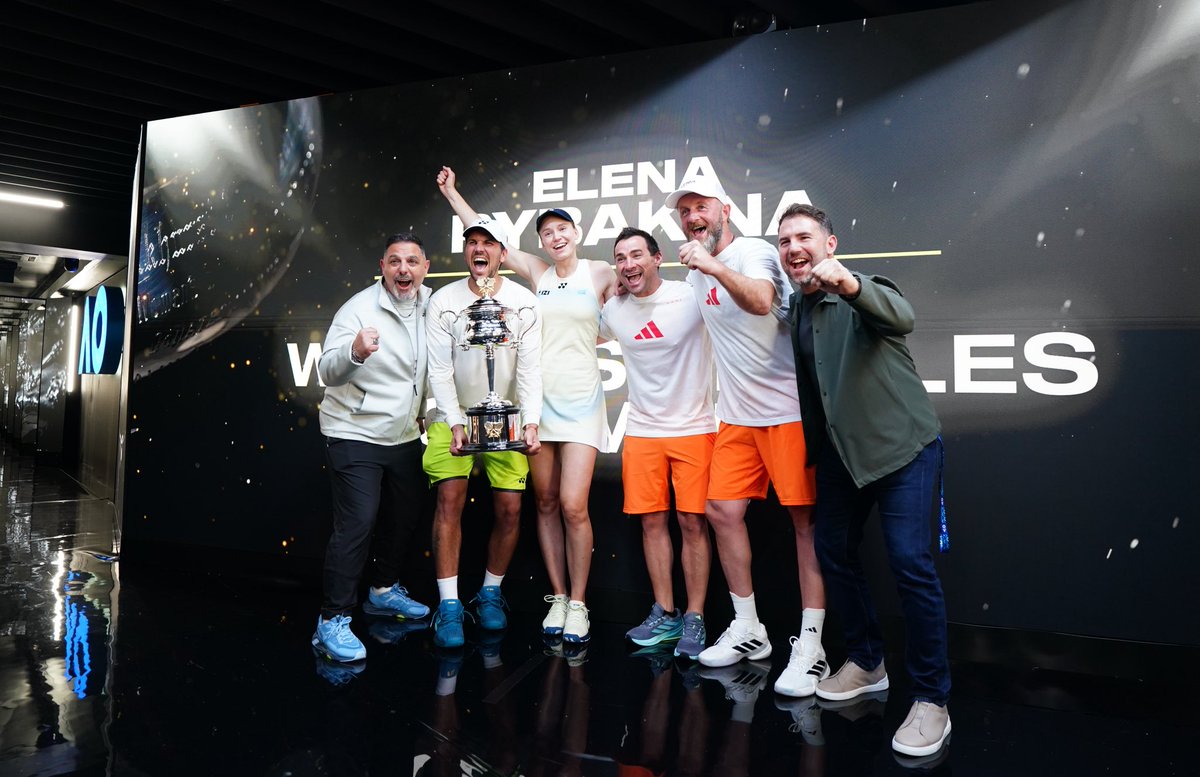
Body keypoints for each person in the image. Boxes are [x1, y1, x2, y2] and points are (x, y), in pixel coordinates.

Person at [777, 203, 951, 758]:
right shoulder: (799, 308)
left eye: (803, 237)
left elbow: (902, 317)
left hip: (904, 449)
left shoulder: (862, 285)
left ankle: (931, 700)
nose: (792, 248)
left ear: (829, 244)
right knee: (832, 550)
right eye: (783, 242)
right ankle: (868, 662)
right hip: (843, 459)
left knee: (910, 565)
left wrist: (851, 285)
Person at [437, 166, 617, 644]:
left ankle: (579, 603)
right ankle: (558, 597)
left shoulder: (602, 271)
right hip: (532, 405)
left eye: (562, 229)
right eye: (547, 232)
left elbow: (634, 298)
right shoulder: (535, 270)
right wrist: (453, 193)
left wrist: (601, 334)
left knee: (575, 506)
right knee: (545, 503)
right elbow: (485, 236)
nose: (555, 237)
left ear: (576, 234)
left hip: (580, 402)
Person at [665, 173, 828, 694]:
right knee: (721, 511)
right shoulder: (692, 275)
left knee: (806, 525)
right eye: (685, 211)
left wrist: (711, 264)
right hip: (737, 417)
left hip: (787, 413)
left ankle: (812, 646)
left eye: (702, 207)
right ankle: (750, 629)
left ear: (725, 209)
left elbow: (761, 301)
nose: (693, 217)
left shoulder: (755, 252)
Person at [311, 232, 434, 663]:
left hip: (402, 435)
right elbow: (327, 370)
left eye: (412, 262)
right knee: (358, 523)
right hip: (353, 432)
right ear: (382, 266)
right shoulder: (358, 309)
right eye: (395, 261)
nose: (404, 269)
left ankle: (382, 591)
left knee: (404, 517)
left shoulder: (432, 304)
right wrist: (355, 352)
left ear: (425, 267)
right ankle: (332, 620)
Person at [425, 215, 543, 649]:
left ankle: (490, 593)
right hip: (451, 416)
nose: (479, 250)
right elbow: (439, 367)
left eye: (488, 243)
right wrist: (454, 421)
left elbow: (530, 370)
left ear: (501, 252)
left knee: (510, 510)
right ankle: (450, 605)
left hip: (506, 417)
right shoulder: (443, 300)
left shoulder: (523, 301)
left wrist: (529, 420)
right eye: (472, 242)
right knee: (450, 502)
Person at [599, 227, 715, 660]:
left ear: (657, 258)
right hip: (643, 432)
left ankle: (696, 617)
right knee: (651, 524)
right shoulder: (613, 309)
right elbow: (579, 335)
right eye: (620, 258)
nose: (628, 265)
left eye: (636, 255)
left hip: (694, 427)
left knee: (692, 524)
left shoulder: (690, 296)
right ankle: (666, 612)